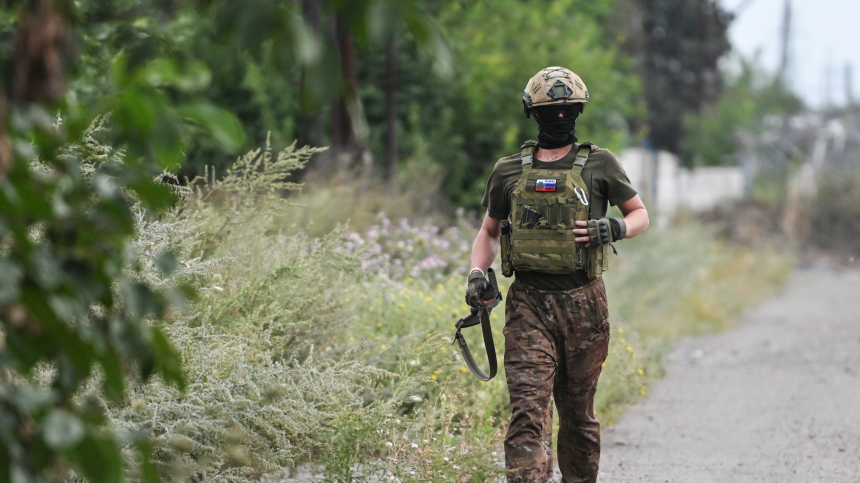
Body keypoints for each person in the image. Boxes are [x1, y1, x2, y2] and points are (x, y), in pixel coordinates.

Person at [465, 66, 649, 483]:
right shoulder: (509, 170)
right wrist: (478, 273)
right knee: (528, 414)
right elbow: (489, 232)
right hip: (529, 305)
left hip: (584, 304)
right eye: (552, 110)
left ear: (579, 110)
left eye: (568, 110)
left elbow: (639, 215)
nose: (560, 117)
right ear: (534, 114)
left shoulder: (601, 164)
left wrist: (614, 227)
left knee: (578, 417)